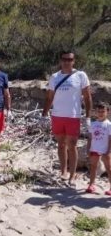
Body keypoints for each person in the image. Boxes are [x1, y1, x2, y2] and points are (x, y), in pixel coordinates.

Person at [41, 50, 92, 187]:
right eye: (64, 59)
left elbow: (87, 97)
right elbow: (49, 97)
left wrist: (88, 116)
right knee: (61, 144)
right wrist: (44, 114)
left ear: (73, 61)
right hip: (57, 115)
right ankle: (63, 171)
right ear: (60, 60)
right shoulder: (55, 77)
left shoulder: (80, 76)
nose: (66, 62)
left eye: (69, 59)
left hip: (73, 116)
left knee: (73, 145)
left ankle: (72, 174)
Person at [86, 102, 111, 195]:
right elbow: (90, 138)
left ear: (107, 112)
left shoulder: (109, 124)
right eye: (99, 111)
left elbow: (110, 138)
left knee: (109, 168)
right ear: (96, 112)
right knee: (93, 167)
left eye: (103, 111)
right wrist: (88, 148)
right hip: (94, 148)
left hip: (105, 149)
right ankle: (91, 184)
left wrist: (109, 150)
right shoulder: (93, 124)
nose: (100, 113)